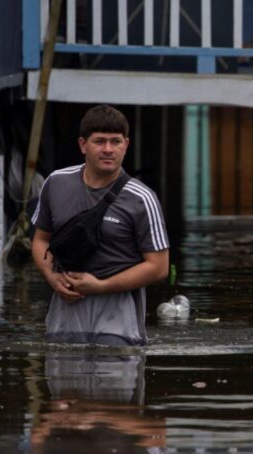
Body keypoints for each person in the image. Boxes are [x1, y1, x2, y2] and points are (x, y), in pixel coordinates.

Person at [31, 105, 169, 346]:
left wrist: (102, 286)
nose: (108, 149)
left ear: (126, 145)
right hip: (66, 304)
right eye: (100, 141)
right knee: (62, 375)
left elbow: (159, 267)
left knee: (115, 374)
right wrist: (52, 278)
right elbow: (41, 239)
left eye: (115, 142)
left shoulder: (142, 198)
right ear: (83, 145)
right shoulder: (56, 183)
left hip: (117, 309)